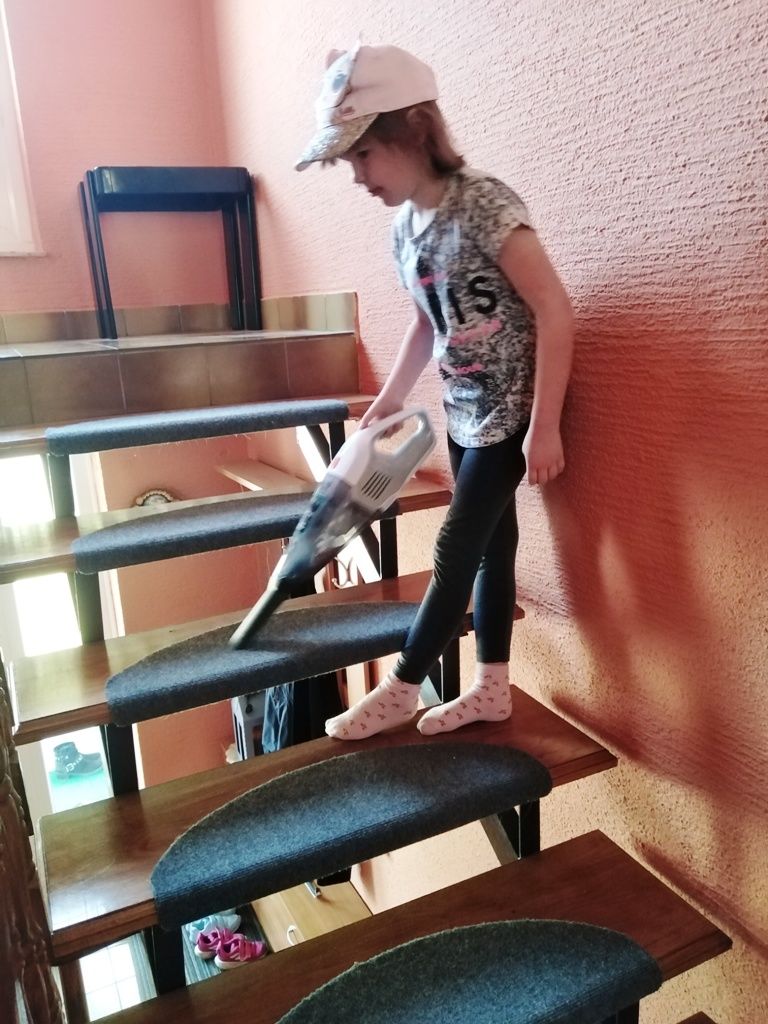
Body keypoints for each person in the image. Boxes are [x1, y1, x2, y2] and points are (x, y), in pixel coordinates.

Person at [295, 43, 574, 740]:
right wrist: (390, 399)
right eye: (348, 161)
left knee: (454, 550)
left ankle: (402, 687)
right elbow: (428, 324)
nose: (358, 175)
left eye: (364, 154)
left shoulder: (483, 203)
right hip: (463, 411)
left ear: (414, 130)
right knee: (494, 548)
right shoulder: (404, 230)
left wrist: (545, 424)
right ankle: (492, 687)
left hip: (511, 410)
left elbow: (552, 307)